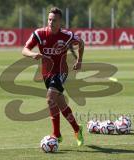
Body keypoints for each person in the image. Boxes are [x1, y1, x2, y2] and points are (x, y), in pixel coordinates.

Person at [22, 7, 84, 146]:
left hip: (61, 71)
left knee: (50, 99)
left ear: (60, 21)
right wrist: (33, 54)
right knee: (60, 104)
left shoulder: (66, 35)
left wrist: (79, 60)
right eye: (49, 19)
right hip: (46, 73)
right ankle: (77, 128)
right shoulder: (39, 34)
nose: (51, 22)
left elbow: (81, 42)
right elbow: (24, 50)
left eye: (54, 20)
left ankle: (56, 134)